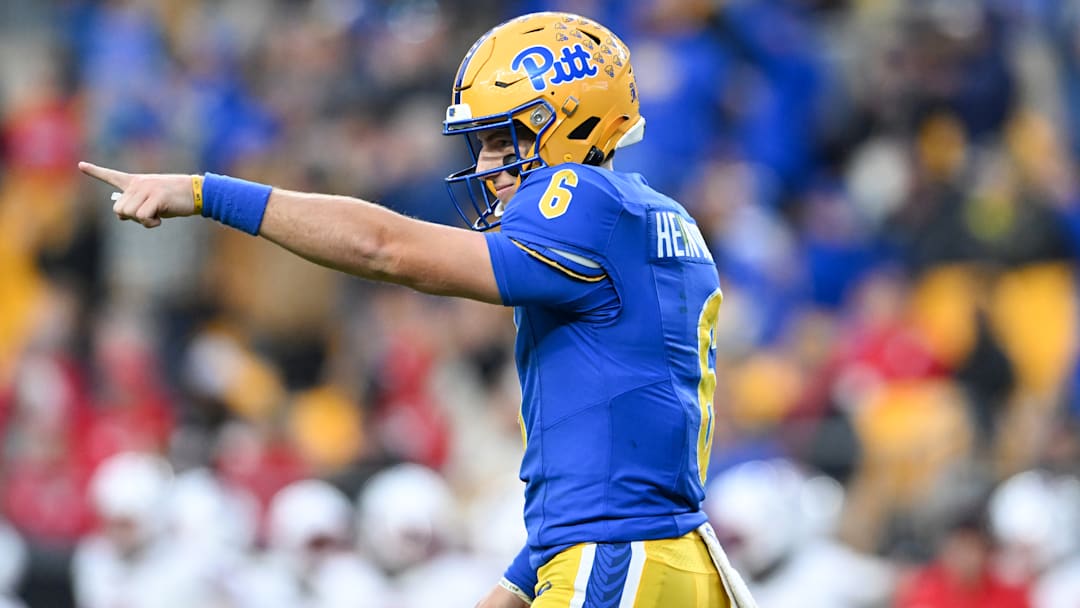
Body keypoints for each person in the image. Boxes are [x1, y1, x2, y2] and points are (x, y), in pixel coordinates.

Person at [79, 11, 756, 608]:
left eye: (503, 139)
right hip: (671, 556)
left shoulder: (584, 200)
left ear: (569, 122)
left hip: (618, 560)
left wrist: (206, 192)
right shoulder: (660, 217)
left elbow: (384, 249)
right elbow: (621, 440)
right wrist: (521, 581)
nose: (490, 165)